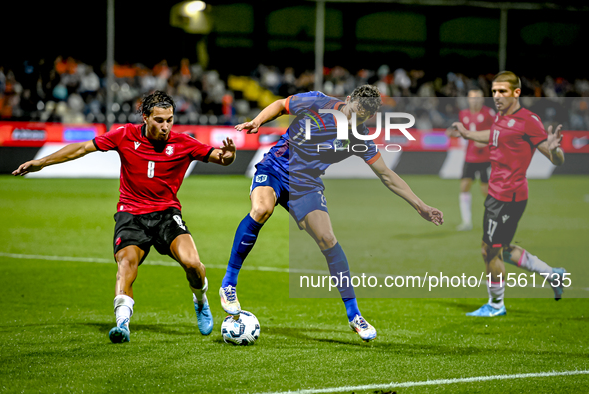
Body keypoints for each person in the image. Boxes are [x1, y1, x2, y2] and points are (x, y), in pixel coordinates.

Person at [219, 85, 444, 341]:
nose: (353, 119)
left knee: (328, 239)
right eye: (353, 112)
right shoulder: (318, 102)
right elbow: (282, 105)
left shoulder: (360, 138)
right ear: (348, 100)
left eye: (361, 117)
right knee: (261, 209)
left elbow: (387, 175)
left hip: (306, 185)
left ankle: (354, 315)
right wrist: (257, 121)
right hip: (276, 167)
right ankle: (229, 284)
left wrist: (420, 205)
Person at [12, 90, 236, 342]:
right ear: (145, 117)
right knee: (126, 265)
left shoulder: (184, 143)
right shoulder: (124, 135)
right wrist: (42, 162)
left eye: (170, 120)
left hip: (166, 214)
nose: (165, 126)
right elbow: (82, 149)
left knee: (193, 264)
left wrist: (229, 157)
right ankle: (122, 325)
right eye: (159, 120)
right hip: (131, 215)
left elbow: (220, 157)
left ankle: (200, 299)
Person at [452, 71, 566, 317]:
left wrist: (555, 150)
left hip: (509, 197)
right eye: (494, 91)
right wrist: (467, 133)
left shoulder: (528, 120)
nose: (496, 96)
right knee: (497, 248)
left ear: (517, 92)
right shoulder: (500, 117)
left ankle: (496, 305)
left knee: (489, 250)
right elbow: (493, 136)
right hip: (496, 194)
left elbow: (554, 158)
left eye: (502, 91)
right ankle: (552, 274)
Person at [446, 88, 495, 231]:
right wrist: (453, 133)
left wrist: (485, 142)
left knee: (485, 190)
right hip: (470, 157)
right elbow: (464, 133)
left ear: (482, 99)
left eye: (478, 98)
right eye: (472, 98)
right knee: (464, 187)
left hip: (486, 157)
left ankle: (492, 219)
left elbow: (498, 132)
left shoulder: (489, 113)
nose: (475, 100)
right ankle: (466, 222)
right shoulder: (464, 114)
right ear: (468, 99)